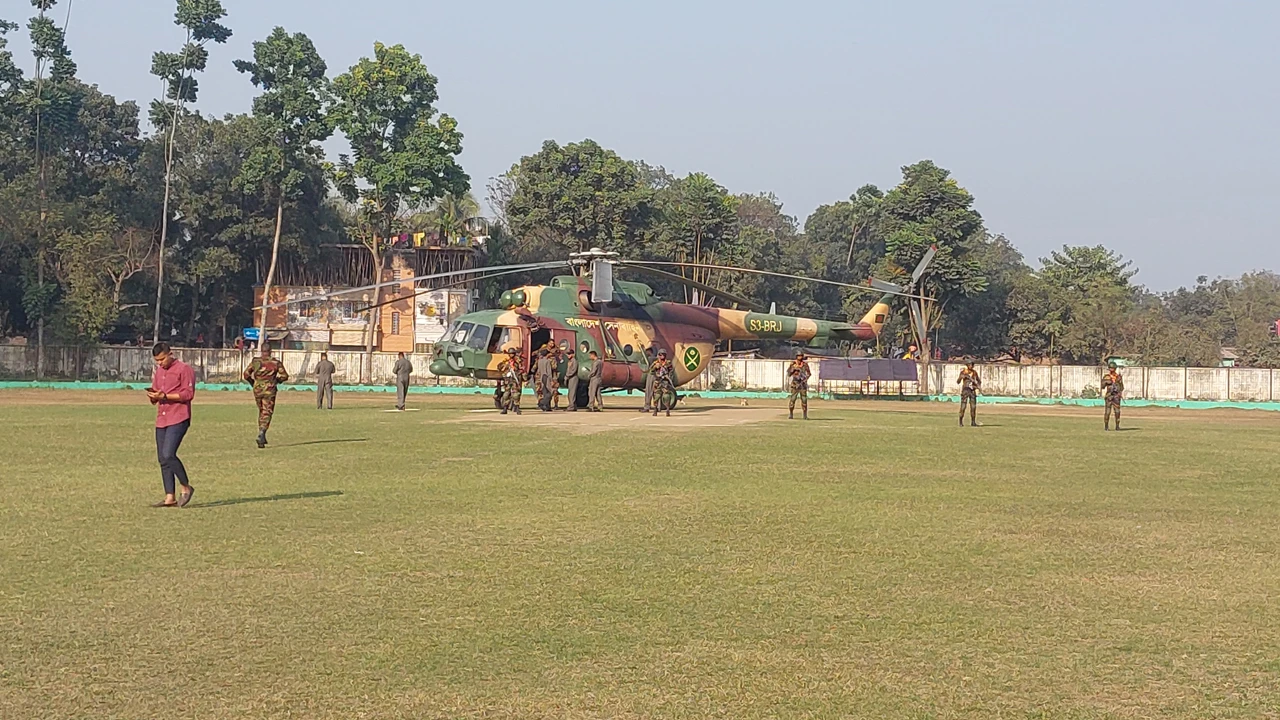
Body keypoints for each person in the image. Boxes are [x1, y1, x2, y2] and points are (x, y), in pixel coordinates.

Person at [147, 343, 196, 507]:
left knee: (169, 454)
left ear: (170, 354)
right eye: (157, 361)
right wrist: (154, 396)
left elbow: (188, 394)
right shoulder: (159, 372)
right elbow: (156, 393)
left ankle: (186, 486)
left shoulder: (184, 369)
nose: (160, 363)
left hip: (179, 416)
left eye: (162, 359)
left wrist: (166, 396)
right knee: (162, 458)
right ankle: (170, 496)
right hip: (162, 417)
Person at [242, 343, 290, 448]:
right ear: (270, 351)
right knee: (267, 411)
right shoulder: (275, 363)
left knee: (262, 411)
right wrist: (276, 381)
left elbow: (246, 374)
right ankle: (262, 432)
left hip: (257, 390)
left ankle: (261, 436)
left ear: (261, 351)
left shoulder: (255, 362)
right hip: (270, 390)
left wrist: (252, 382)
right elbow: (285, 376)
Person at [498, 347, 524, 415]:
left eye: (512, 353)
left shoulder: (518, 361)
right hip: (508, 380)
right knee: (506, 395)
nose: (511, 355)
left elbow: (521, 370)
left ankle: (517, 408)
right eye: (510, 353)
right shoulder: (507, 361)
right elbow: (500, 368)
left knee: (516, 395)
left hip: (515, 380)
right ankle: (505, 408)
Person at [651, 349, 676, 417]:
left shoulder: (668, 363)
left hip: (665, 382)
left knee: (666, 396)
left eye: (664, 354)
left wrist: (668, 377)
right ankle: (655, 409)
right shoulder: (655, 363)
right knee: (656, 396)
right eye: (661, 354)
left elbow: (671, 371)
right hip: (657, 381)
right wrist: (655, 367)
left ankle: (667, 410)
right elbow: (651, 371)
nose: (663, 356)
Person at [787, 351, 812, 420]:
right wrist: (793, 369)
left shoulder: (805, 365)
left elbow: (809, 373)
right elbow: (788, 374)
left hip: (802, 385)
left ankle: (805, 415)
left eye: (801, 356)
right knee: (793, 399)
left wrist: (805, 379)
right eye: (799, 356)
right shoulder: (793, 364)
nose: (800, 357)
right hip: (795, 384)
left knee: (804, 400)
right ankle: (791, 414)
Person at [957, 361, 982, 427]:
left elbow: (979, 381)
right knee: (963, 407)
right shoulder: (964, 372)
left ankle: (973, 422)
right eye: (970, 365)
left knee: (973, 407)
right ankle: (960, 422)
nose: (971, 366)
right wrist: (961, 377)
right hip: (965, 391)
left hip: (972, 391)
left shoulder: (974, 373)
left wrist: (977, 386)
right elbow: (958, 381)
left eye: (972, 365)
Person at [1102, 362, 1125, 430]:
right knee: (1107, 412)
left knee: (1117, 412)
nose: (1111, 369)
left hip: (1116, 396)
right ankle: (1106, 426)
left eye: (1113, 368)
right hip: (1109, 396)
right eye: (1110, 368)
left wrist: (1118, 382)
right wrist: (1106, 382)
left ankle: (1117, 426)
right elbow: (1102, 386)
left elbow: (1122, 387)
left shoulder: (1118, 377)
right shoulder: (1106, 376)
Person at [535, 346, 555, 412]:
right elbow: (549, 372)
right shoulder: (547, 361)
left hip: (541, 378)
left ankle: (547, 407)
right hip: (547, 378)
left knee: (544, 392)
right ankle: (542, 402)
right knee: (550, 392)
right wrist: (551, 380)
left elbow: (539, 371)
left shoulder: (539, 361)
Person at [640, 345, 657, 413]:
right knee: (655, 392)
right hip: (655, 375)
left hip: (651, 375)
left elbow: (645, 367)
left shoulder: (650, 359)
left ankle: (647, 407)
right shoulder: (655, 359)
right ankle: (657, 407)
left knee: (649, 391)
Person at [564, 344, 581, 411]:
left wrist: (567, 375)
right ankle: (573, 405)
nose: (568, 355)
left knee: (572, 393)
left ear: (573, 354)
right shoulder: (570, 361)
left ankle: (571, 406)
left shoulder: (574, 361)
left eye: (569, 354)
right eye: (567, 354)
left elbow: (573, 370)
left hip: (573, 378)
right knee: (570, 392)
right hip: (570, 378)